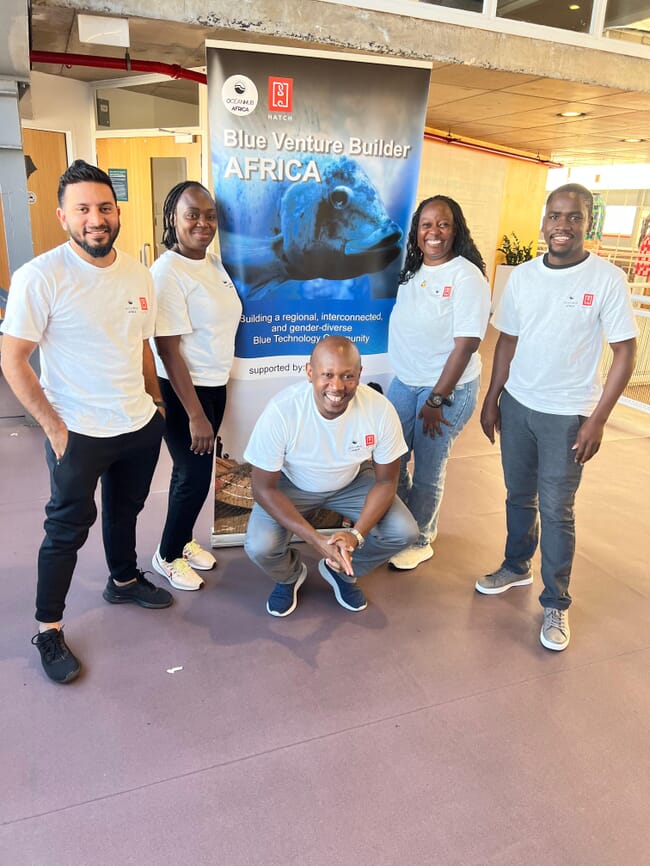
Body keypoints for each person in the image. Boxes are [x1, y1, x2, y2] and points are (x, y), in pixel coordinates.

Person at [0, 159, 173, 684]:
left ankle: (122, 580)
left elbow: (141, 344)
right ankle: (48, 628)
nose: (95, 218)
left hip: (138, 425)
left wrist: (157, 405)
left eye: (104, 207)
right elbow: (13, 360)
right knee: (65, 531)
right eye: (83, 210)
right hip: (77, 432)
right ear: (63, 216)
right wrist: (54, 430)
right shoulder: (41, 277)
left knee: (126, 511)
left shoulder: (139, 273)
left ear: (117, 212)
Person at [478, 183, 637, 651]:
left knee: (556, 509)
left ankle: (556, 603)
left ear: (589, 223)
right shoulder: (522, 277)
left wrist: (598, 418)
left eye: (574, 217)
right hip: (519, 406)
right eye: (555, 216)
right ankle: (514, 566)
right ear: (544, 221)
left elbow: (625, 353)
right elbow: (506, 339)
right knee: (518, 496)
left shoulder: (606, 279)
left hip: (568, 414)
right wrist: (494, 396)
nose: (562, 226)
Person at [243, 336, 419, 616]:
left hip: (352, 481)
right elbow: (263, 489)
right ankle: (290, 575)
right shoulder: (282, 411)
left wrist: (355, 536)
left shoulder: (380, 409)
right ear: (310, 373)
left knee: (405, 531)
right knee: (260, 546)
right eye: (327, 375)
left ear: (360, 374)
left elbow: (386, 481)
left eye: (347, 376)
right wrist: (316, 541)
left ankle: (343, 570)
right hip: (293, 483)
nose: (337, 387)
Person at [386, 196, 491, 570]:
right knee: (390, 460)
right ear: (416, 232)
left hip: (446, 390)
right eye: (426, 224)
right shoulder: (413, 271)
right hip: (406, 382)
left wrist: (436, 400)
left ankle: (420, 537)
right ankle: (405, 524)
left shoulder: (466, 276)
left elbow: (466, 345)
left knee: (429, 466)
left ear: (456, 230)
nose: (434, 232)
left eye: (443, 224)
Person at [150, 181, 242, 590]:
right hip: (184, 390)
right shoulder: (166, 272)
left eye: (209, 216)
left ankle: (184, 540)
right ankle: (166, 554)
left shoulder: (214, 263)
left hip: (214, 383)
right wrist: (195, 415)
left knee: (190, 475)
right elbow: (167, 349)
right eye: (192, 215)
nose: (202, 223)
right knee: (193, 476)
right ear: (173, 218)